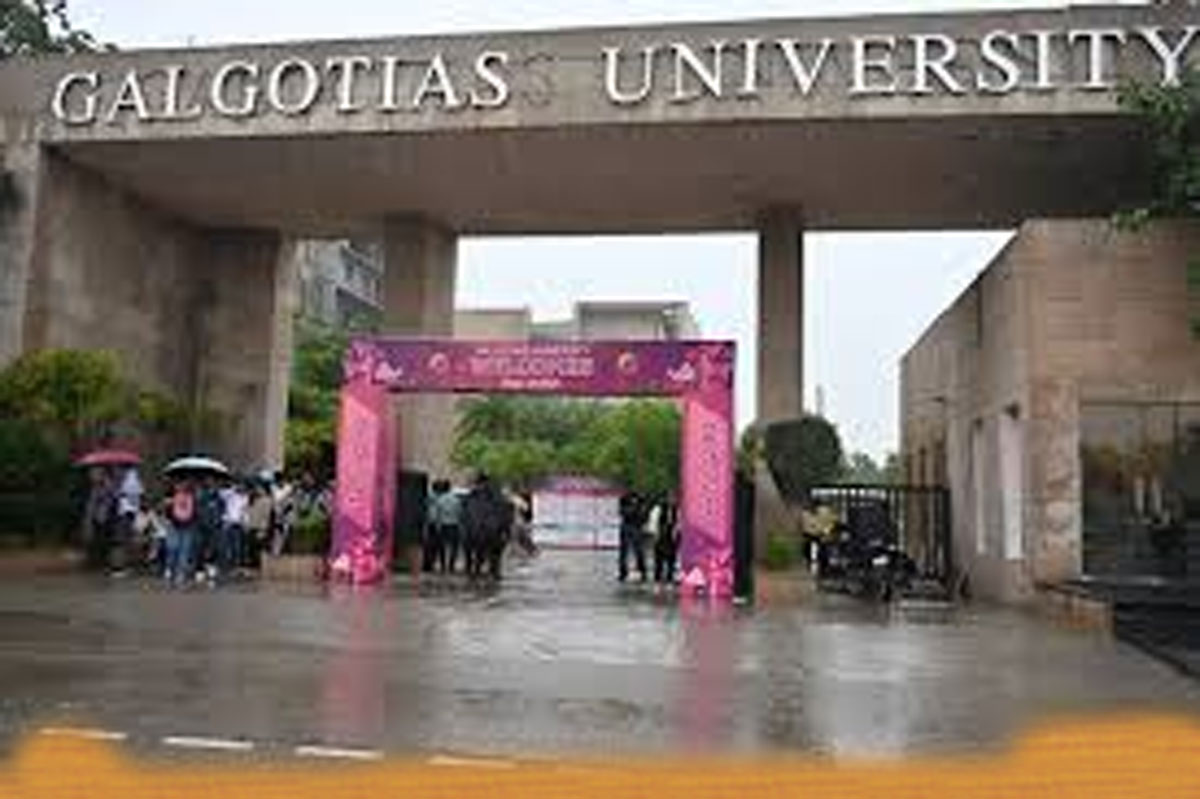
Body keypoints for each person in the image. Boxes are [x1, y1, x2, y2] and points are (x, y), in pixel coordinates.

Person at [110, 466, 143, 576]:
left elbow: (125, 495)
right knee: (125, 541)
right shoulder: (133, 479)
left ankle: (120, 567)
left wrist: (118, 492)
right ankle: (124, 566)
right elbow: (139, 495)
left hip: (125, 513)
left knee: (121, 541)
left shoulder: (128, 480)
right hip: (128, 513)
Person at [164, 478, 198, 586]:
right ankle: (170, 570)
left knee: (184, 551)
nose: (182, 485)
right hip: (174, 525)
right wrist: (169, 505)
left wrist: (193, 521)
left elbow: (195, 512)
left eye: (184, 483)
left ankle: (180, 575)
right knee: (173, 548)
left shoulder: (192, 496)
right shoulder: (170, 495)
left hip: (188, 526)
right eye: (179, 483)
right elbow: (166, 511)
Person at [428, 480, 462, 574]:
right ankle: (451, 565)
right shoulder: (456, 500)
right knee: (454, 547)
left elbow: (437, 514)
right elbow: (459, 513)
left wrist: (437, 525)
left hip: (443, 525)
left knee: (441, 547)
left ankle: (443, 566)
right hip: (454, 525)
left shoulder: (440, 500)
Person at [219, 480, 249, 580]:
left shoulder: (245, 498)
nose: (242, 488)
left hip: (238, 524)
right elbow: (221, 494)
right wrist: (233, 489)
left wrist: (245, 524)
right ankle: (226, 567)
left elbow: (244, 512)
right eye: (240, 485)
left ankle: (235, 568)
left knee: (237, 547)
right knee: (226, 547)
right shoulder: (230, 495)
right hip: (228, 523)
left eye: (243, 486)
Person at [618, 491, 648, 582]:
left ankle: (642, 571)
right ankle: (623, 572)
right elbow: (623, 512)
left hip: (636, 526)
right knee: (624, 551)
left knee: (639, 551)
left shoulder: (641, 501)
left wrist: (639, 514)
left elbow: (644, 515)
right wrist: (635, 510)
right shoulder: (624, 499)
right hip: (628, 526)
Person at [653, 495, 680, 585]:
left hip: (671, 536)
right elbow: (654, 522)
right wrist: (655, 534)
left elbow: (679, 523)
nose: (672, 500)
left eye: (673, 498)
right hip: (661, 535)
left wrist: (676, 533)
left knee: (671, 558)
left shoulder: (677, 510)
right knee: (659, 558)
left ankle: (669, 576)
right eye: (670, 498)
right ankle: (658, 577)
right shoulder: (659, 509)